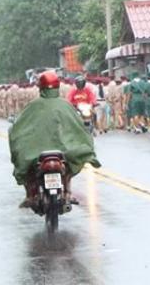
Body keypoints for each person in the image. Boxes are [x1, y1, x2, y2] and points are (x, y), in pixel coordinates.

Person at [8, 71, 100, 208]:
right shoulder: (66, 105)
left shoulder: (33, 106)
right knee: (69, 166)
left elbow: (19, 129)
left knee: (26, 165)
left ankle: (30, 195)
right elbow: (79, 129)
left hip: (37, 152)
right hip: (65, 151)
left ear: (40, 87)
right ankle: (67, 192)